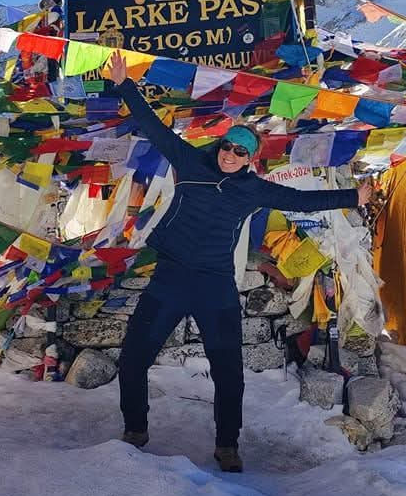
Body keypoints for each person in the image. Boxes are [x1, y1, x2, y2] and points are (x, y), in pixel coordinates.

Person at [104, 52, 372, 473]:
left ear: (251, 159)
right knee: (135, 358)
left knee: (229, 371)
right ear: (221, 144)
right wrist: (124, 85)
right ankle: (135, 429)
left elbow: (301, 200)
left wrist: (351, 197)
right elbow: (155, 129)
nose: (230, 154)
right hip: (170, 277)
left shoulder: (253, 190)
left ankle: (227, 445)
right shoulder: (192, 161)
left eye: (240, 151)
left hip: (215, 285)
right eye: (228, 145)